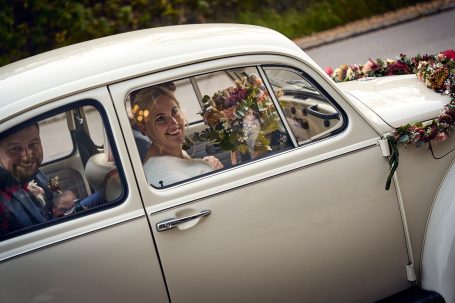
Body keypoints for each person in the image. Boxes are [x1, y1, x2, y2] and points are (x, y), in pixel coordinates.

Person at [0, 123, 98, 236]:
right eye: (15, 149)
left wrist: (62, 195)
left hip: (59, 218)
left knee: (103, 194)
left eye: (33, 144)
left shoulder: (31, 170)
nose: (27, 156)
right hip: (56, 234)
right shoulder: (4, 195)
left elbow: (51, 184)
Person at [132, 82, 223, 187]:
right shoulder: (160, 173)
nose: (174, 122)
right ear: (144, 128)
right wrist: (208, 169)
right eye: (160, 118)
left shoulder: (174, 153)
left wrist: (207, 164)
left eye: (174, 111)